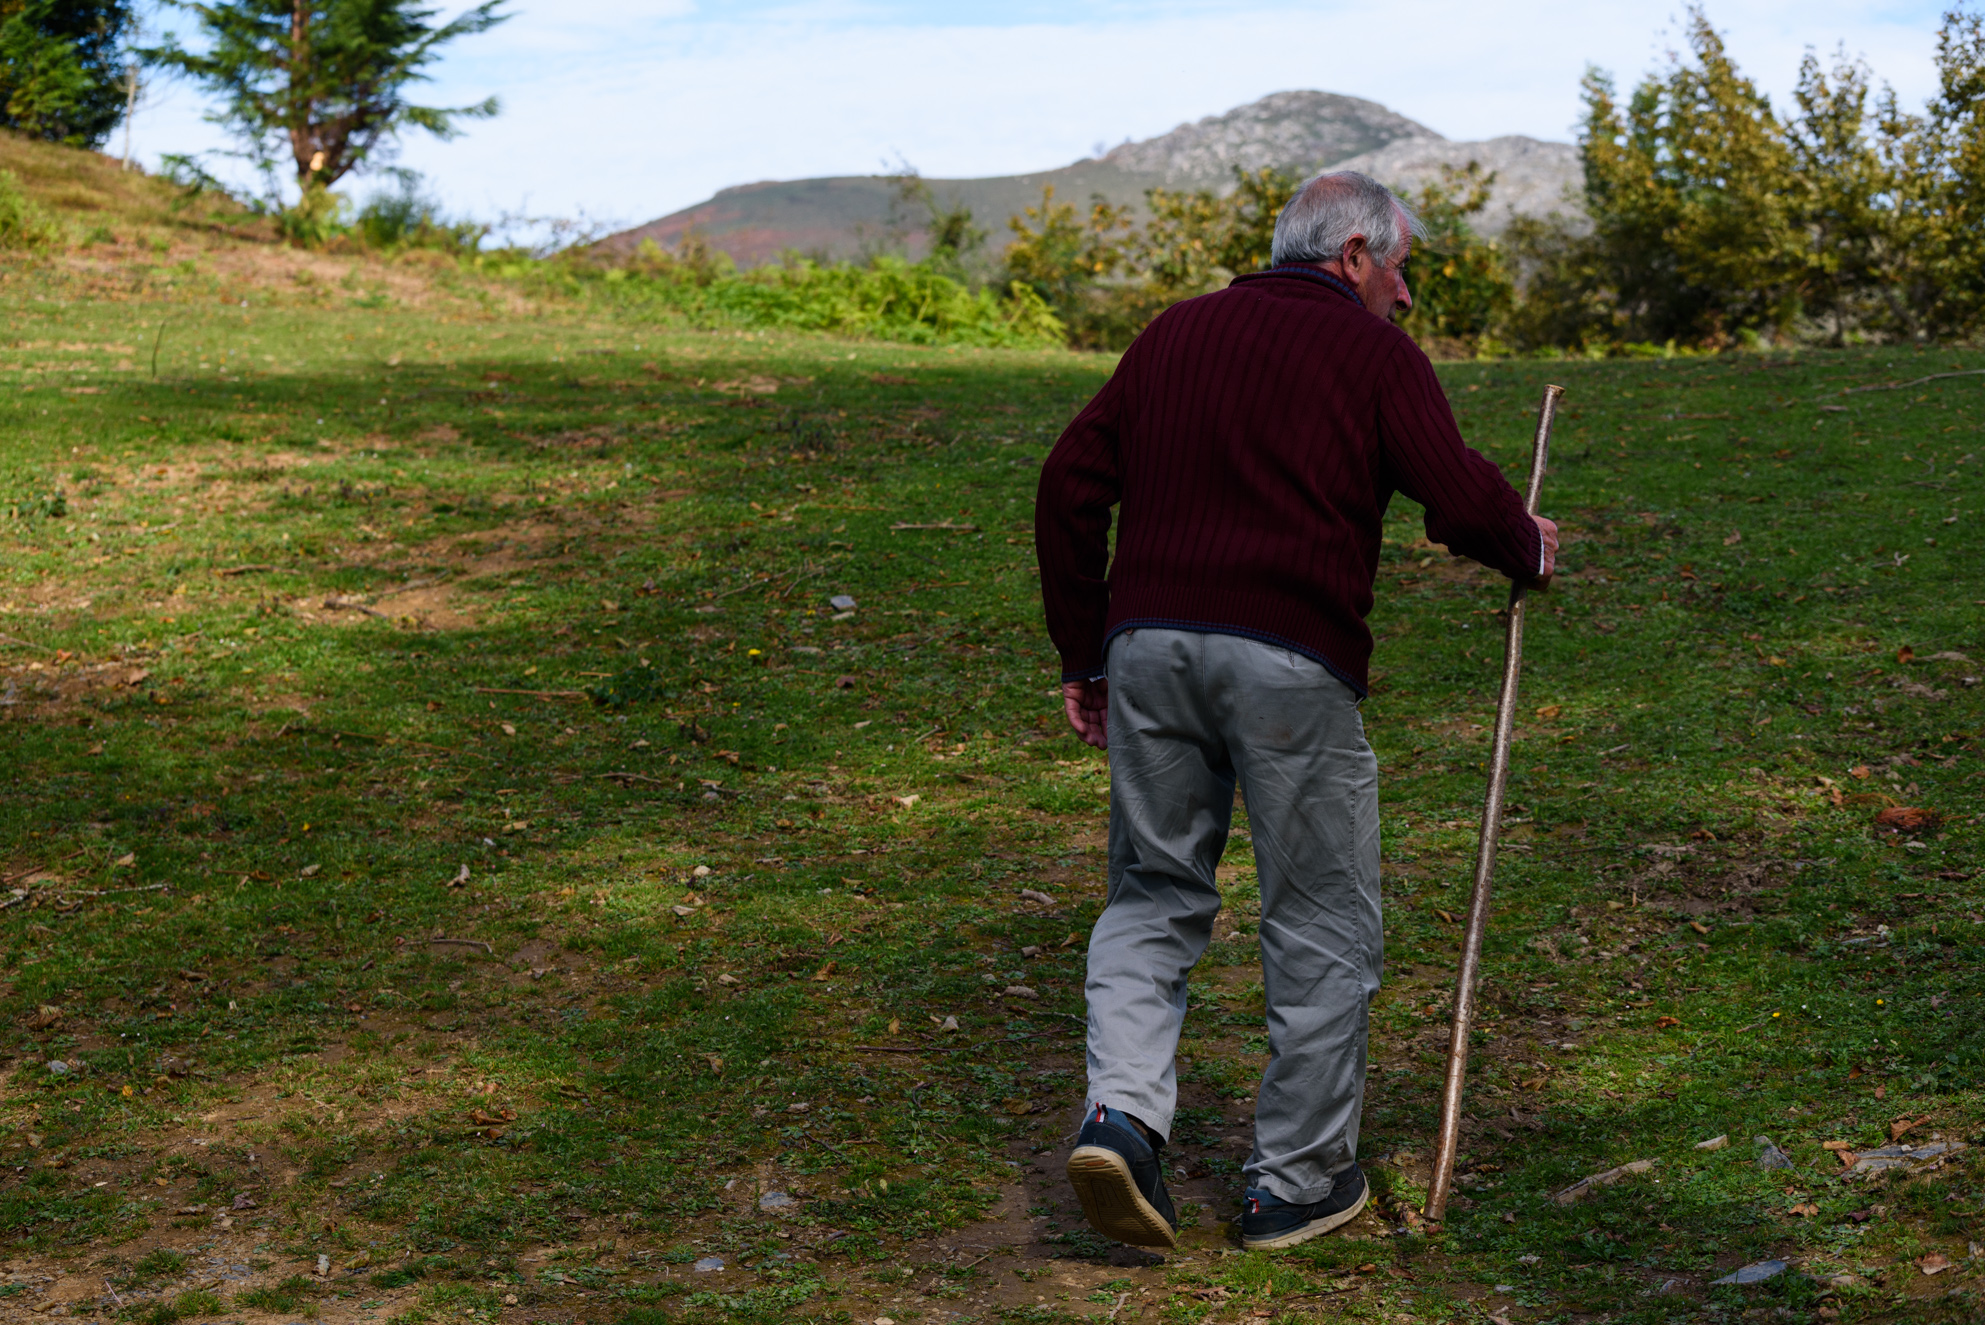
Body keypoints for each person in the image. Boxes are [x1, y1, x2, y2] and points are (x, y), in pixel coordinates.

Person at [1033, 170, 1557, 1251]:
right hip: (1288, 660)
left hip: (1146, 651)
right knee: (1317, 914)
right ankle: (1294, 1181)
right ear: (1355, 253)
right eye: (1401, 268)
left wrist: (1085, 650)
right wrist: (1525, 543)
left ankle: (1120, 1119)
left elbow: (1067, 485)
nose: (1405, 297)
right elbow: (1453, 494)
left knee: (1150, 892)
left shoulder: (1172, 334)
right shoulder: (1370, 354)